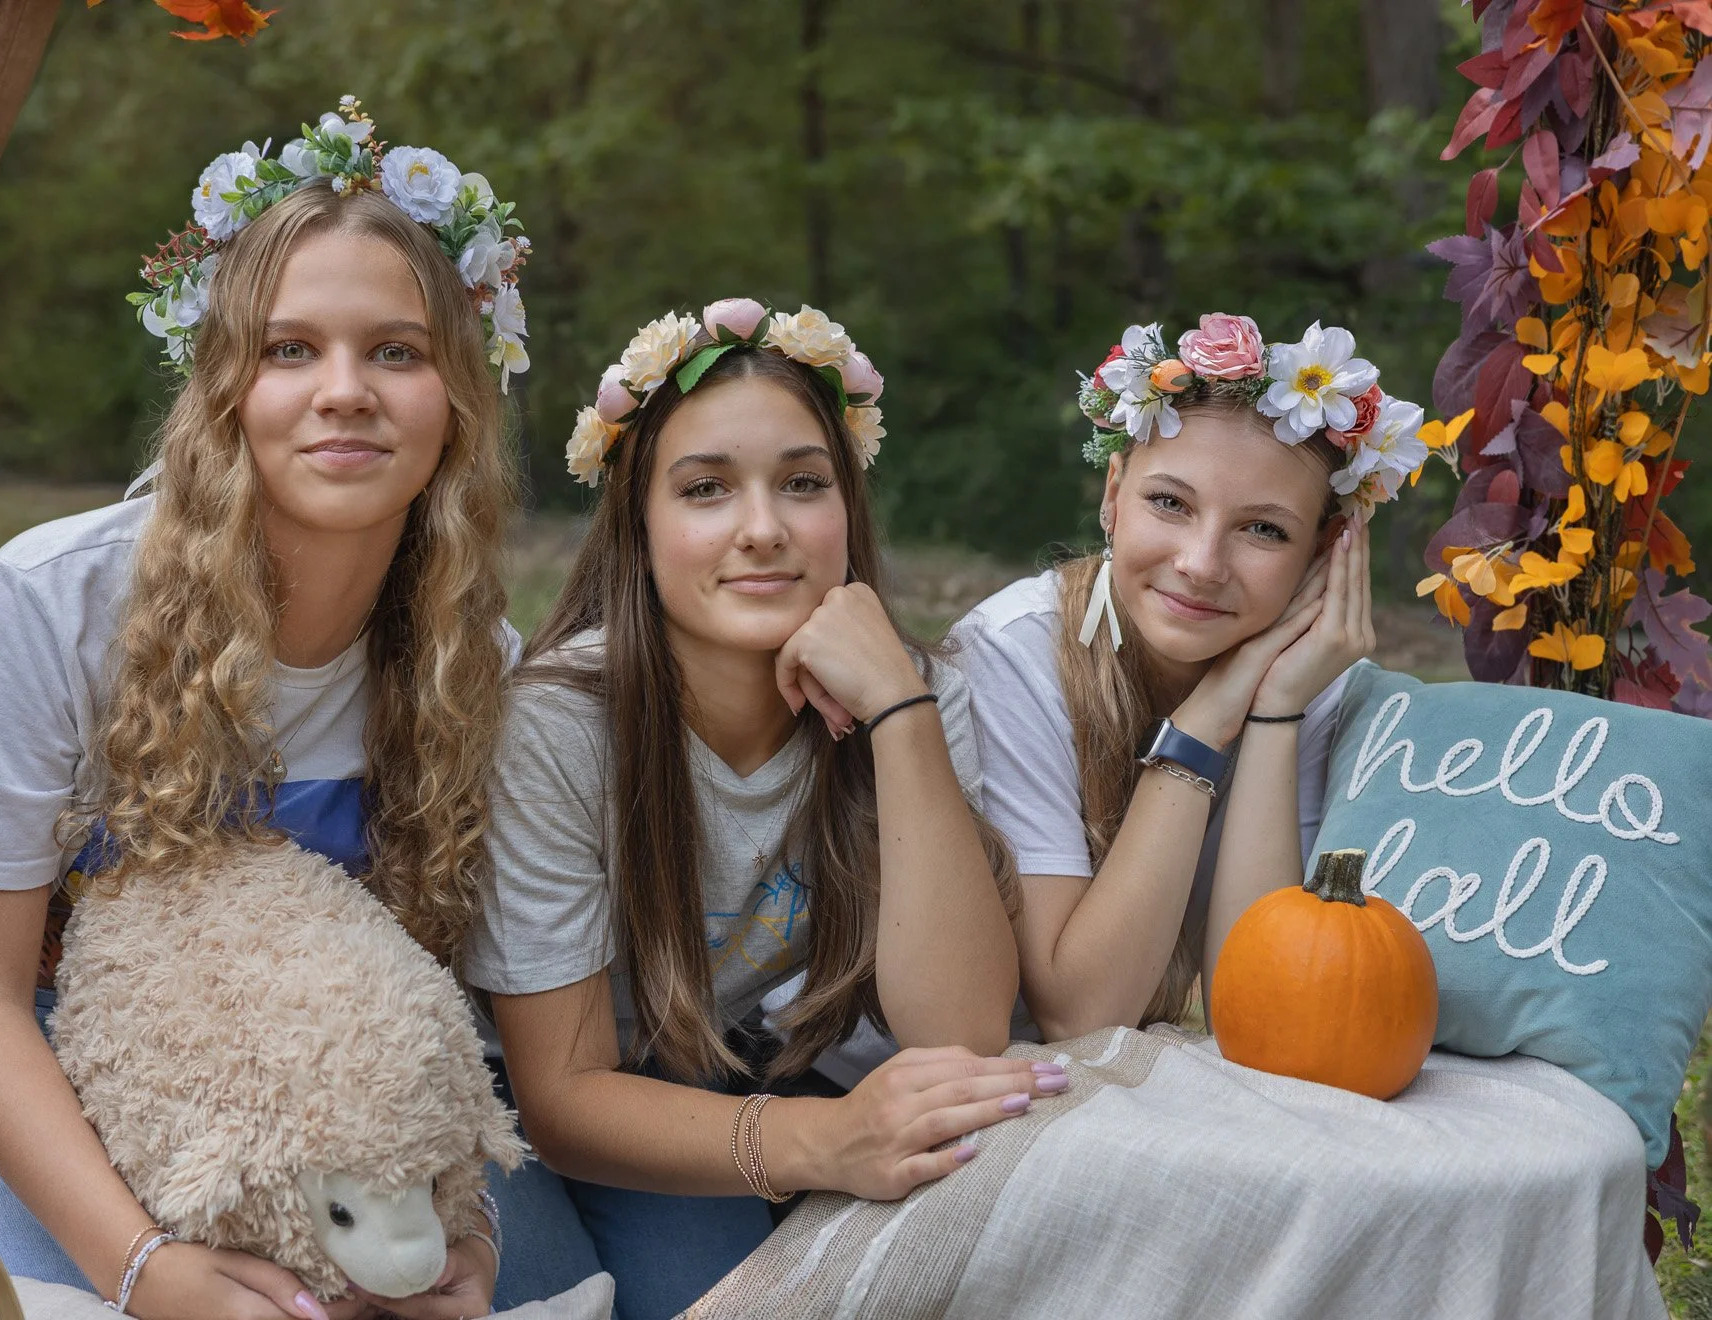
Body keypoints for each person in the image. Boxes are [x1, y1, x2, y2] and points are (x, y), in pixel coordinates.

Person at [0, 99, 529, 1320]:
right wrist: (142, 1270)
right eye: (289, 348)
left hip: (278, 1083)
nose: (344, 391)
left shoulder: (475, 664)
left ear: (459, 393)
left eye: (397, 352)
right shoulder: (56, 600)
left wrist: (464, 1229)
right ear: (224, 385)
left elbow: (432, 1008)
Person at [464, 299, 1056, 1320]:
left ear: (848, 508)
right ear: (639, 527)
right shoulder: (558, 725)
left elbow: (957, 1028)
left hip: (683, 1077)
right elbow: (560, 1096)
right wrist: (826, 1141)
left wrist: (900, 715)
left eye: (802, 483)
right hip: (497, 1093)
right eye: (706, 489)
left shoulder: (915, 696)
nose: (764, 530)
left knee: (736, 1300)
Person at [954, 314, 1425, 1039]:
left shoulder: (1314, 686)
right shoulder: (1015, 651)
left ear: (1325, 552)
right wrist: (1202, 727)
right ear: (1113, 494)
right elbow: (1080, 1013)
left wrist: (1273, 712)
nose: (1201, 565)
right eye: (1170, 502)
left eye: (1263, 529)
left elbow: (1257, 1002)